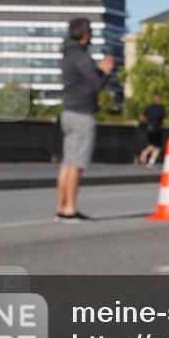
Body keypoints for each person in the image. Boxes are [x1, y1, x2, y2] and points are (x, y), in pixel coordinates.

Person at [56, 18, 114, 223]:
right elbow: (94, 86)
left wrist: (97, 71)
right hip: (82, 114)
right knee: (76, 164)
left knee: (67, 163)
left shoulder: (68, 54)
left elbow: (84, 80)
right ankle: (70, 209)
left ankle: (61, 207)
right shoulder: (82, 56)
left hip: (68, 112)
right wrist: (105, 73)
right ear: (85, 35)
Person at [138, 94, 167, 169]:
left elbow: (141, 117)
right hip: (157, 129)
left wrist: (148, 122)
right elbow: (165, 121)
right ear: (159, 100)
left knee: (151, 145)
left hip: (149, 129)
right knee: (157, 147)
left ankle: (144, 154)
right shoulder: (161, 108)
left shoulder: (149, 108)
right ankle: (151, 163)